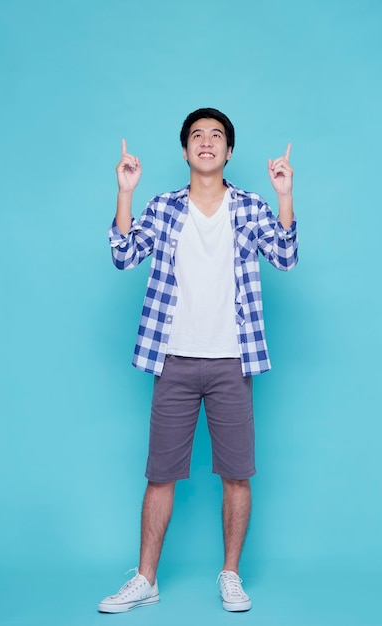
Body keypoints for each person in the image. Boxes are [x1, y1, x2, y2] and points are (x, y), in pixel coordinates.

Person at [98, 108, 298, 614]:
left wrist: (283, 195)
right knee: (160, 474)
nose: (206, 142)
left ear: (229, 152)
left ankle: (230, 574)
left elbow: (285, 255)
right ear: (185, 150)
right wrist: (125, 192)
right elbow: (124, 254)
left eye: (216, 136)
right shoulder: (164, 207)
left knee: (236, 473)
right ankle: (146, 580)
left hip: (233, 359)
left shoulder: (250, 206)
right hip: (175, 361)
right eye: (196, 136)